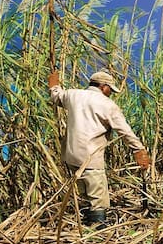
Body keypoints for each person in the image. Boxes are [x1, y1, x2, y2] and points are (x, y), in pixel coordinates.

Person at [48, 70, 150, 225]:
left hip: (71, 156)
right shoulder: (107, 105)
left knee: (84, 194)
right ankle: (98, 231)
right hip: (91, 158)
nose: (111, 93)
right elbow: (125, 131)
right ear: (103, 87)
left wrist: (54, 84)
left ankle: (86, 224)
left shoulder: (72, 95)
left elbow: (56, 96)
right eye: (110, 89)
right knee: (98, 199)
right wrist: (139, 149)